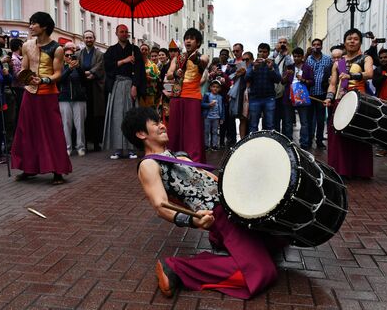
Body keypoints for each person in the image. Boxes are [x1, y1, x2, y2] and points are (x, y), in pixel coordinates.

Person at [121, 107, 286, 299]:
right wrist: (193, 221)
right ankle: (176, 268)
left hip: (233, 208)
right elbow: (160, 205)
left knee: (278, 240)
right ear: (141, 133)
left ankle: (223, 250)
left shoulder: (179, 156)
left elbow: (215, 181)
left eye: (161, 121)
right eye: (155, 123)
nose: (162, 125)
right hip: (220, 216)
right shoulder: (148, 165)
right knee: (261, 273)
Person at [11, 11, 71, 184]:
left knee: (53, 132)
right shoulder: (27, 45)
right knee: (26, 131)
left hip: (48, 95)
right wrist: (24, 76)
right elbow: (24, 67)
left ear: (44, 26)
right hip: (29, 93)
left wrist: (44, 80)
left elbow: (58, 73)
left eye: (34, 23)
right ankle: (29, 169)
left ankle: (58, 171)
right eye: (30, 23)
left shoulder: (57, 48)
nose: (30, 26)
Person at [324, 29, 374, 178]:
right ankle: (340, 170)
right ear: (345, 41)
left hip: (360, 101)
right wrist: (329, 97)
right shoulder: (338, 63)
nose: (352, 41)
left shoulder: (366, 58)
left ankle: (361, 171)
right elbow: (333, 83)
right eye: (349, 39)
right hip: (340, 101)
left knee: (359, 135)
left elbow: (369, 74)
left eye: (356, 39)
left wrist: (352, 75)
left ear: (360, 42)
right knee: (339, 136)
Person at [102, 25, 145, 159]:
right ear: (116, 33)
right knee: (116, 118)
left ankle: (131, 148)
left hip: (129, 85)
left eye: (126, 32)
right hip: (116, 85)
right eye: (122, 31)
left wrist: (135, 86)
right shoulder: (111, 50)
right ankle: (118, 149)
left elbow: (139, 70)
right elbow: (107, 67)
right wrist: (124, 61)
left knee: (130, 117)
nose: (124, 34)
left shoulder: (135, 49)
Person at [166, 28, 209, 163]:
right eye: (186, 38)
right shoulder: (177, 58)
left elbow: (203, 62)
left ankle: (194, 160)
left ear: (198, 42)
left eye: (191, 38)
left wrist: (194, 58)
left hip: (193, 97)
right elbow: (168, 75)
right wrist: (175, 74)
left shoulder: (203, 56)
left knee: (192, 130)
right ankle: (174, 157)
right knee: (174, 130)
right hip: (177, 96)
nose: (188, 41)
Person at [279, 47, 314, 149]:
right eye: (294, 56)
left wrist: (303, 80)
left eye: (299, 56)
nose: (296, 58)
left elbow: (312, 82)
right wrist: (286, 75)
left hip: (302, 98)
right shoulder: (289, 67)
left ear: (302, 56)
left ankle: (304, 143)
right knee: (288, 122)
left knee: (304, 122)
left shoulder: (307, 67)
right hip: (289, 97)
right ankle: (289, 143)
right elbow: (282, 81)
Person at [77, 30, 106, 152]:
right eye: (86, 37)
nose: (88, 39)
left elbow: (101, 66)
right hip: (83, 87)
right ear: (83, 39)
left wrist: (92, 73)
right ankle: (86, 142)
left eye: (90, 37)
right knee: (84, 115)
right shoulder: (79, 54)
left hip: (95, 87)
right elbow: (77, 66)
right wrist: (84, 75)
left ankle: (96, 143)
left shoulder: (100, 54)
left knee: (96, 116)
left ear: (94, 39)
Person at [245, 43, 281, 133]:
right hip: (255, 98)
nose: (262, 54)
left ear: (268, 53)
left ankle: (268, 144)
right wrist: (254, 68)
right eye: (260, 51)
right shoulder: (253, 64)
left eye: (264, 52)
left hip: (269, 98)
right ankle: (254, 144)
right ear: (258, 52)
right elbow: (247, 78)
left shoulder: (273, 64)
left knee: (270, 124)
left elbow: (278, 79)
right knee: (253, 125)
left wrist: (271, 69)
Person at [58, 46, 87, 157]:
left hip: (79, 98)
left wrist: (78, 68)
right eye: (67, 55)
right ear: (63, 57)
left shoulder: (79, 67)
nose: (70, 57)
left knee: (80, 125)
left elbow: (84, 80)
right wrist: (69, 69)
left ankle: (80, 147)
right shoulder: (61, 67)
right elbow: (60, 80)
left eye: (72, 55)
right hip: (64, 99)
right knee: (66, 124)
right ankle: (67, 148)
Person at [306, 38, 332, 150]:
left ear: (321, 46)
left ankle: (320, 141)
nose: (316, 46)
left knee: (321, 119)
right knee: (310, 119)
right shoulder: (308, 59)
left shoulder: (327, 59)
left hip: (322, 93)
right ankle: (309, 139)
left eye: (318, 44)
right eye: (314, 44)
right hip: (310, 93)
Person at [271, 37, 294, 133]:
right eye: (280, 42)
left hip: (286, 90)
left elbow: (290, 65)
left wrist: (286, 54)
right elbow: (270, 62)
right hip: (275, 89)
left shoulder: (290, 56)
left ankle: (287, 139)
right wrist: (276, 51)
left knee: (286, 117)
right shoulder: (274, 55)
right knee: (275, 117)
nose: (282, 44)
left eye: (284, 42)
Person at [202, 80, 224, 151]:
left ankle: (214, 145)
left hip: (216, 117)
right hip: (207, 117)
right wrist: (209, 105)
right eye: (213, 87)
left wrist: (222, 118)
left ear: (220, 89)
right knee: (206, 131)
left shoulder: (220, 97)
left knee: (215, 131)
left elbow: (222, 108)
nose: (215, 88)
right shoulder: (207, 95)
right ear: (210, 87)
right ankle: (206, 145)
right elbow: (202, 104)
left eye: (217, 87)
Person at [138, 43, 161, 109]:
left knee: (150, 113)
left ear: (148, 52)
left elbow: (158, 77)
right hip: (139, 93)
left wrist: (151, 78)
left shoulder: (152, 65)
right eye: (142, 49)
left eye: (146, 50)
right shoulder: (136, 64)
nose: (144, 51)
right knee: (140, 113)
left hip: (150, 92)